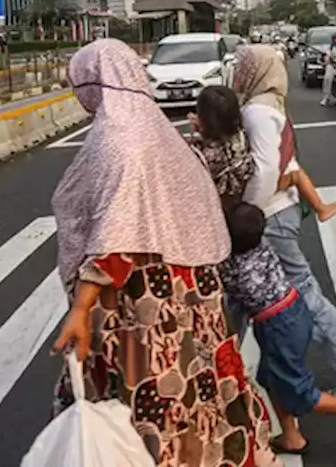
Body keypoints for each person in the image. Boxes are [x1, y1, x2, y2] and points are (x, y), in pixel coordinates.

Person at [49, 40, 276, 467]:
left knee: (149, 401)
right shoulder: (160, 135)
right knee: (199, 390)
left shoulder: (119, 140)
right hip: (191, 291)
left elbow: (118, 238)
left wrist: (81, 309)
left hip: (141, 304)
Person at [232, 44, 336, 398]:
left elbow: (268, 169)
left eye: (242, 66)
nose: (237, 72)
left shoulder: (256, 110)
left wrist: (245, 215)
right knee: (240, 296)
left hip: (268, 217)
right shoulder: (270, 104)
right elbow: (288, 164)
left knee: (301, 294)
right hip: (278, 211)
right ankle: (221, 376)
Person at [220, 202, 336, 455]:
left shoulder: (231, 268)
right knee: (270, 377)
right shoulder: (263, 246)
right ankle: (292, 437)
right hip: (295, 308)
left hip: (277, 326)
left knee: (297, 391)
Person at [190, 85, 336, 223]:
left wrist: (200, 132)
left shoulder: (205, 153)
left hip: (229, 205)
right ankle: (321, 207)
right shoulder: (240, 134)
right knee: (294, 172)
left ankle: (321, 208)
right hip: (244, 196)